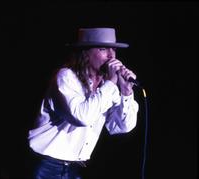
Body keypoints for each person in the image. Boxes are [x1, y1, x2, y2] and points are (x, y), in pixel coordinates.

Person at [27, 27, 139, 179]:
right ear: (85, 53)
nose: (111, 56)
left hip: (74, 168)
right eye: (103, 49)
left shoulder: (106, 87)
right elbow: (82, 117)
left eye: (113, 49)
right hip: (46, 165)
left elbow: (121, 126)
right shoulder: (66, 77)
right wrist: (112, 83)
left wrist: (126, 92)